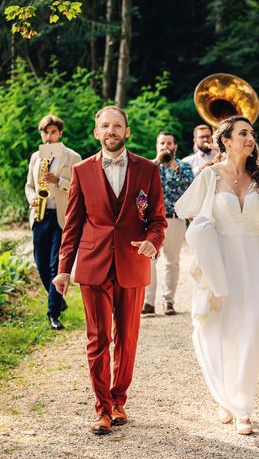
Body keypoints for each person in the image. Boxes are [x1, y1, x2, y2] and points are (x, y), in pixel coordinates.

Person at [174, 116, 259, 435]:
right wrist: (207, 241)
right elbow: (188, 212)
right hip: (223, 262)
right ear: (226, 141)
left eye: (252, 133)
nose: (250, 138)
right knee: (221, 330)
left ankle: (243, 406)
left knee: (251, 331)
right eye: (242, 133)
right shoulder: (208, 176)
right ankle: (224, 396)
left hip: (257, 264)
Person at [52, 106, 167, 435]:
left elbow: (157, 218)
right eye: (105, 126)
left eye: (117, 126)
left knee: (127, 339)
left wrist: (152, 241)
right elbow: (72, 225)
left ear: (127, 132)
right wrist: (63, 269)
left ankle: (119, 401)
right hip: (93, 265)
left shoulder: (147, 170)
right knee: (98, 340)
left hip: (132, 264)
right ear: (96, 132)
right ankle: (102, 408)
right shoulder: (81, 171)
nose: (112, 131)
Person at [25, 114, 81, 330]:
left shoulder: (73, 156)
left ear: (60, 133)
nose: (49, 136)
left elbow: (78, 186)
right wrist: (32, 199)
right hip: (39, 216)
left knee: (54, 267)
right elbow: (29, 185)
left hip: (61, 217)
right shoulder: (35, 157)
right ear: (42, 134)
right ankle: (58, 299)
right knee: (40, 265)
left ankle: (53, 314)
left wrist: (59, 181)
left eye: (53, 132)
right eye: (45, 132)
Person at [142, 131, 194, 316]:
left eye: (169, 143)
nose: (166, 146)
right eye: (162, 143)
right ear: (157, 146)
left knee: (171, 262)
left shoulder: (185, 167)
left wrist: (174, 167)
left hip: (174, 219)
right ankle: (148, 302)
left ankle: (168, 302)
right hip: (150, 221)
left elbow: (189, 189)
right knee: (149, 260)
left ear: (175, 146)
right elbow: (140, 190)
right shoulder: (147, 166)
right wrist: (157, 161)